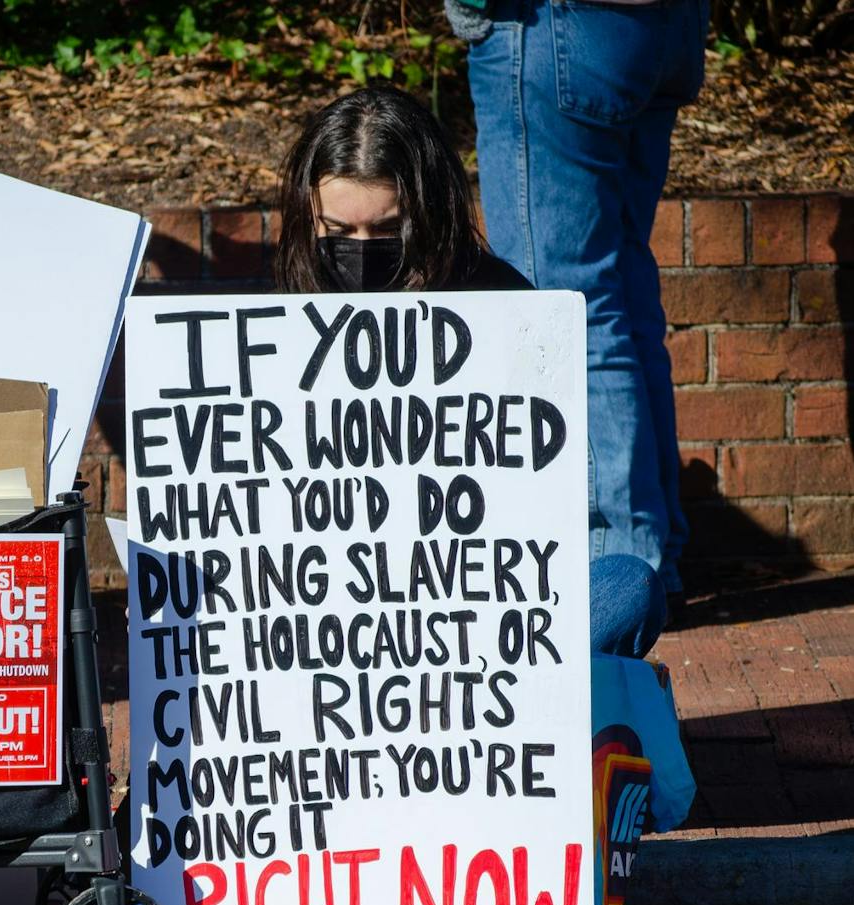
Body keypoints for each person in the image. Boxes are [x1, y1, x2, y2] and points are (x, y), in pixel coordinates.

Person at [274, 87, 667, 660]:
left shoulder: (503, 304)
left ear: (429, 213)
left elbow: (536, 505)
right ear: (309, 218)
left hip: (472, 622)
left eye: (388, 231)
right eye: (338, 232)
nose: (362, 251)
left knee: (629, 588)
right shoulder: (273, 323)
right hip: (333, 626)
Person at [451, 0, 708, 608]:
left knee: (562, 307)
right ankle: (653, 555)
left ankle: (615, 565)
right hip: (660, 28)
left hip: (555, 26)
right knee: (619, 288)